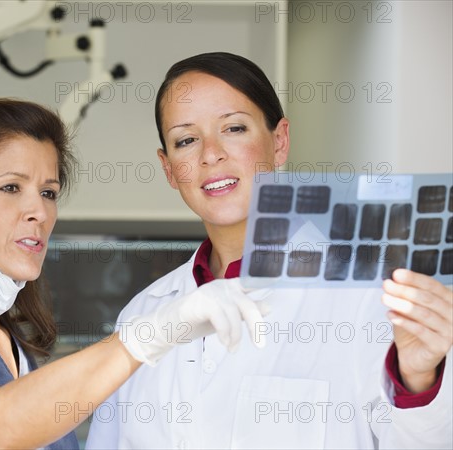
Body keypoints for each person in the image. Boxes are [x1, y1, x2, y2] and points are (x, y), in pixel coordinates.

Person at [0, 98, 269, 450]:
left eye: (48, 193)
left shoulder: (21, 354)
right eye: (11, 187)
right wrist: (148, 336)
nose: (39, 212)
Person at [85, 52, 452, 449]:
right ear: (170, 168)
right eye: (186, 140)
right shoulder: (142, 316)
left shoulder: (369, 300)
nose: (210, 154)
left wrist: (419, 382)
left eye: (234, 128)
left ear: (279, 142)